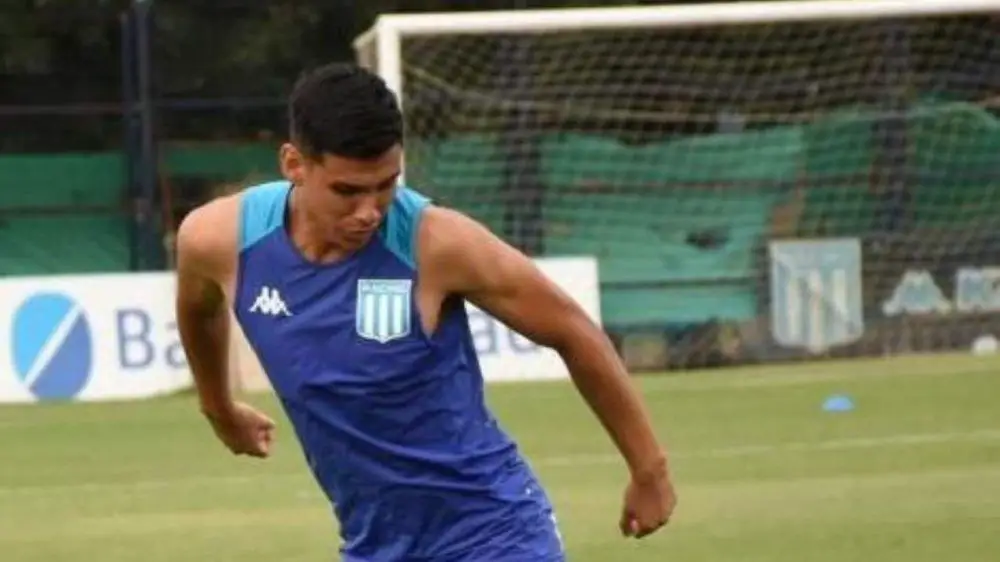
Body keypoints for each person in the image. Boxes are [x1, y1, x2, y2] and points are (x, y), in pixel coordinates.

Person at [174, 62, 676, 562]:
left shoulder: (436, 243)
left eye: (385, 185)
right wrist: (218, 406)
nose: (370, 210)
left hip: (495, 533)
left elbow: (572, 329)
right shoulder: (220, 240)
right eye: (347, 191)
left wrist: (648, 468)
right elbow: (199, 309)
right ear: (294, 164)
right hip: (375, 546)